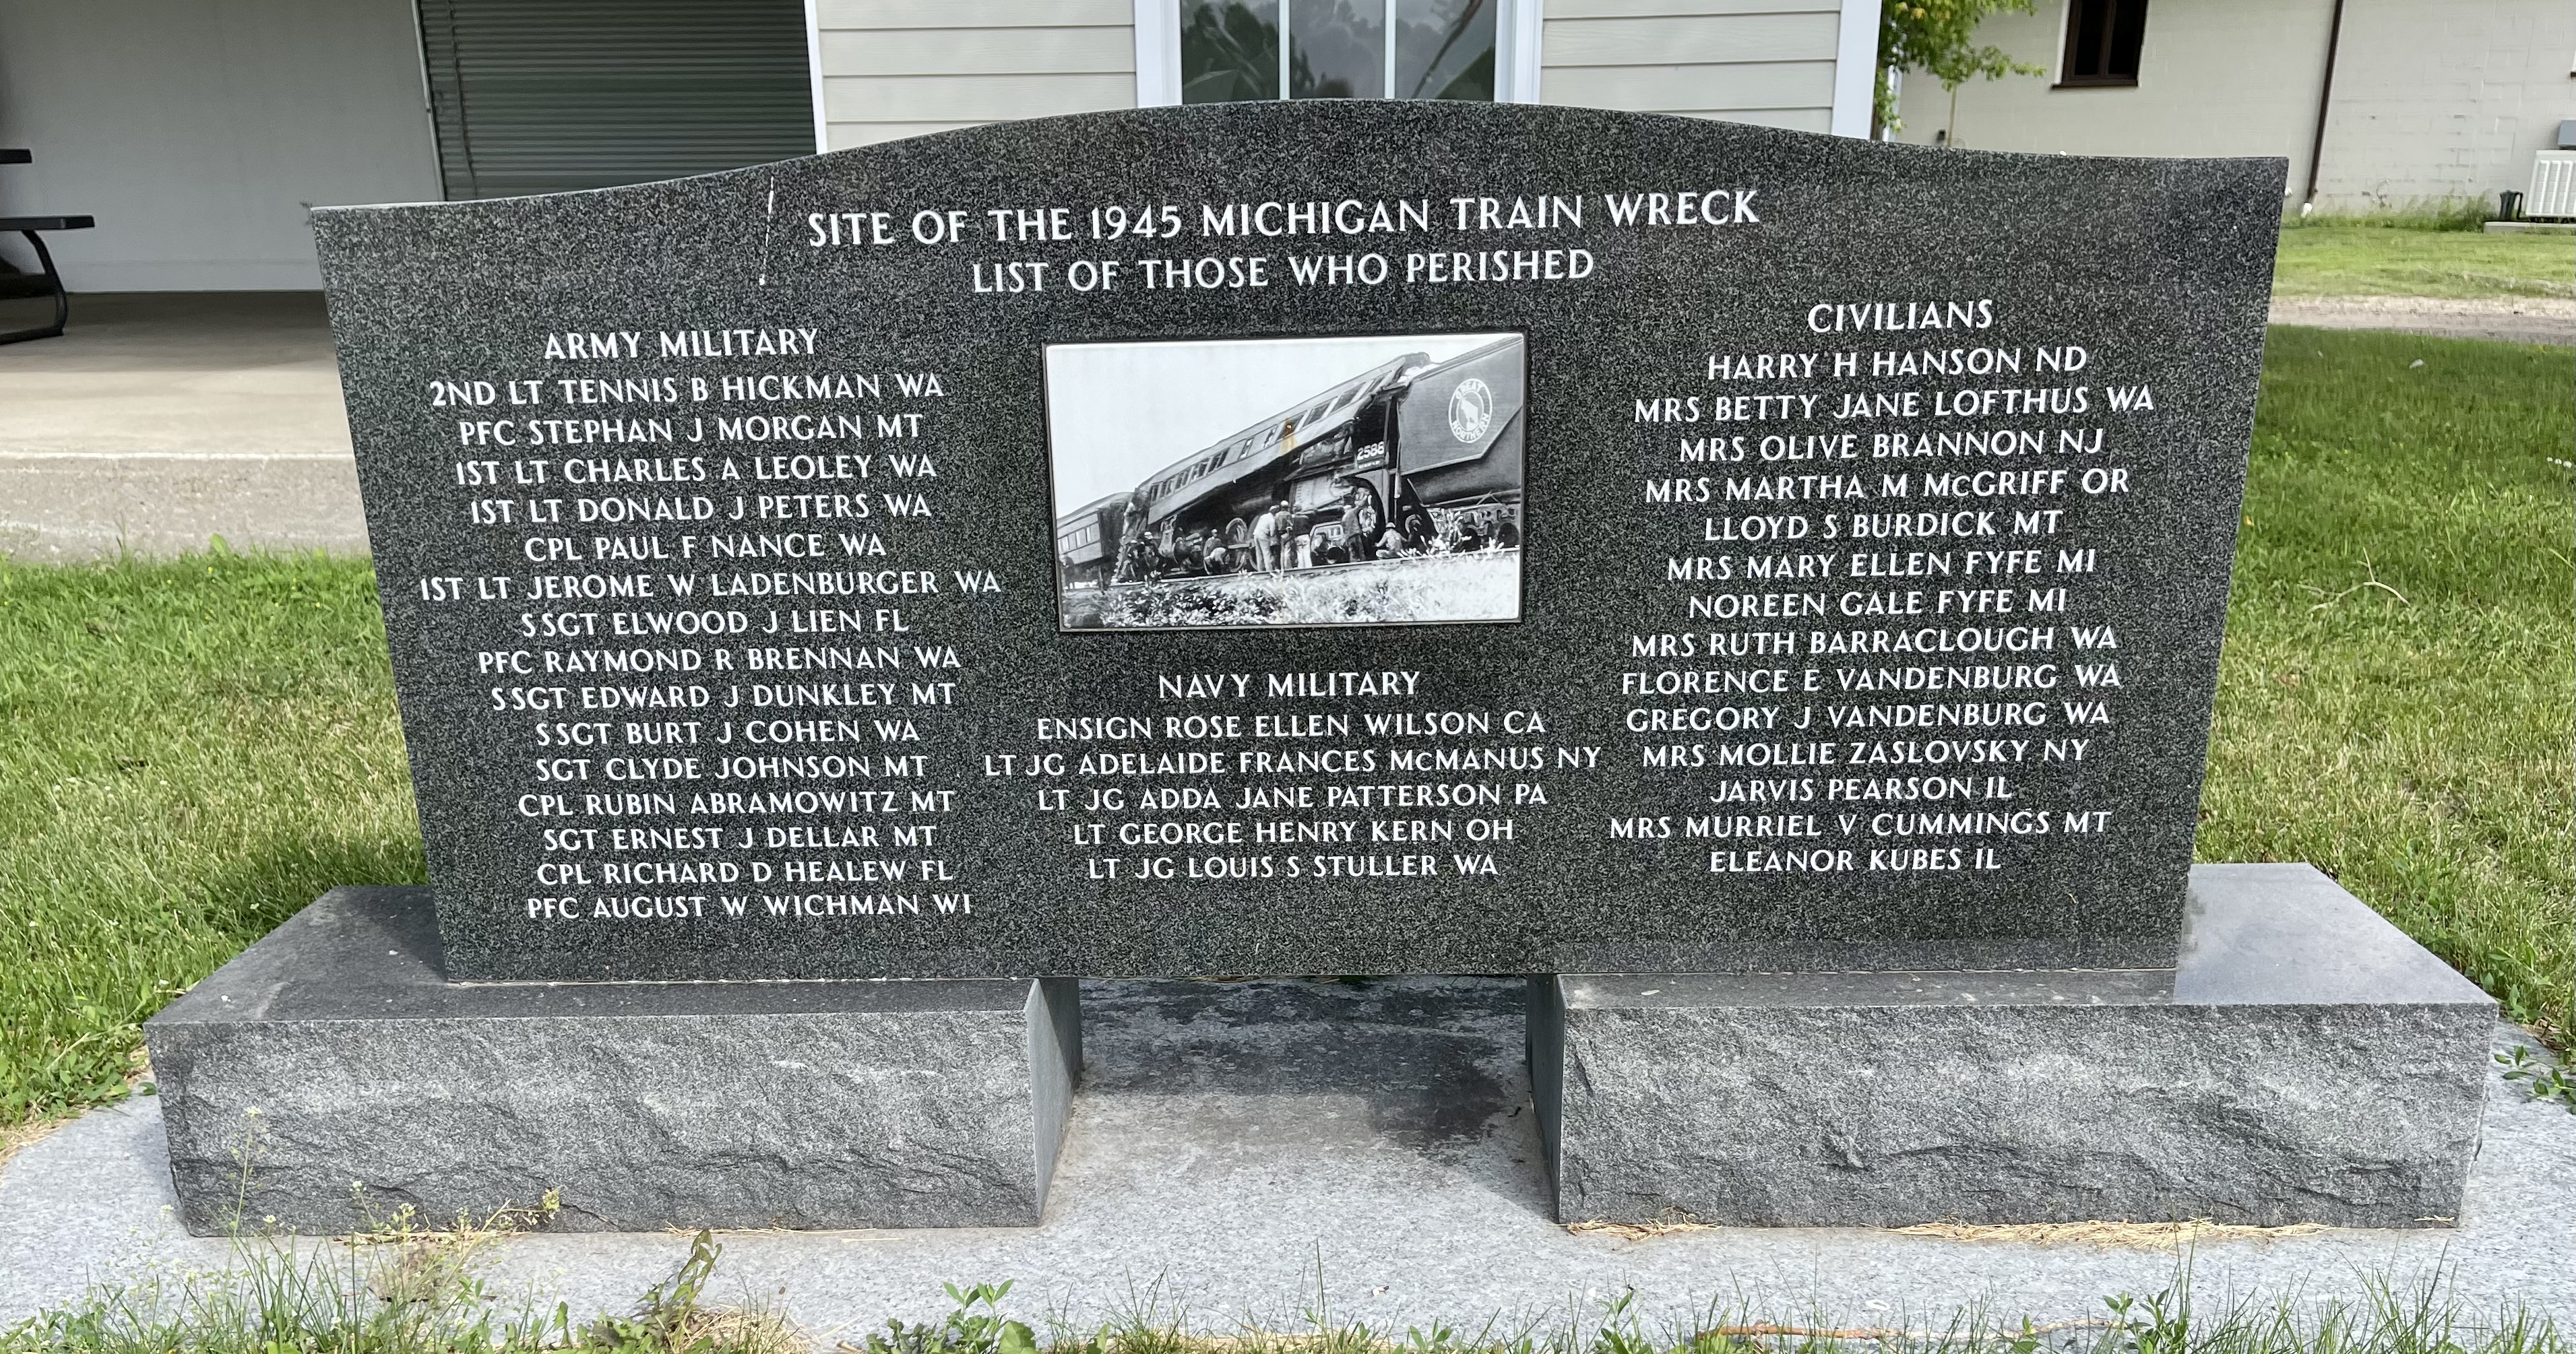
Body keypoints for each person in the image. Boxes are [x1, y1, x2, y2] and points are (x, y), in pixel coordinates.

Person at [1251, 501, 1281, 575]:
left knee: (1259, 553)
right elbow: (1272, 533)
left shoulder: (1263, 516)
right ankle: (1269, 570)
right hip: (1263, 535)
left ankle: (1260, 570)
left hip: (1256, 534)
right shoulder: (1272, 520)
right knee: (1266, 553)